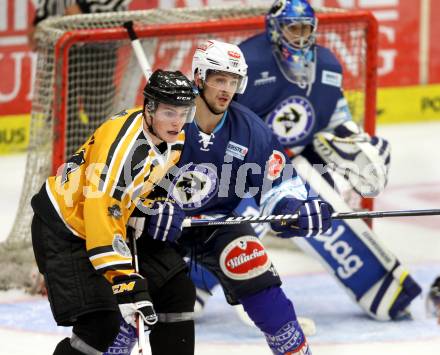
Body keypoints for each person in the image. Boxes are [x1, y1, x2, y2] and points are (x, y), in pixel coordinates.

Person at [127, 39, 333, 355]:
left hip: (217, 226)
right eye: (219, 79)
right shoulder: (162, 121)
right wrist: (147, 210)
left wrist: (297, 209)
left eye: (233, 80)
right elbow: (120, 184)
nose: (227, 88)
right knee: (128, 309)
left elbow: (279, 185)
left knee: (259, 280)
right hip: (160, 231)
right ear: (199, 77)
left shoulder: (250, 130)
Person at [232, 0, 422, 321]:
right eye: (293, 28)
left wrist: (355, 143)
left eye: (306, 28)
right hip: (245, 166)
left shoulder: (329, 66)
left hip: (298, 159)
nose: (301, 36)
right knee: (232, 223)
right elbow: (222, 121)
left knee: (319, 213)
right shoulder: (247, 63)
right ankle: (189, 284)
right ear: (275, 30)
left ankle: (384, 290)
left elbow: (337, 119)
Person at [30, 70, 197, 355]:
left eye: (184, 113)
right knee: (101, 322)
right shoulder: (123, 153)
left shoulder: (171, 134)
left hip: (108, 222)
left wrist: (150, 208)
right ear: (150, 108)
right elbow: (100, 212)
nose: (178, 121)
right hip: (65, 227)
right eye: (170, 112)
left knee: (176, 289)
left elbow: (150, 180)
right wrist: (124, 279)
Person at [29, 0, 133, 155]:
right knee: (63, 118)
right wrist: (42, 23)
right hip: (64, 52)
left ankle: (101, 159)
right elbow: (34, 37)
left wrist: (80, 9)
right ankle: (73, 162)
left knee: (99, 114)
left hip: (99, 50)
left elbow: (77, 13)